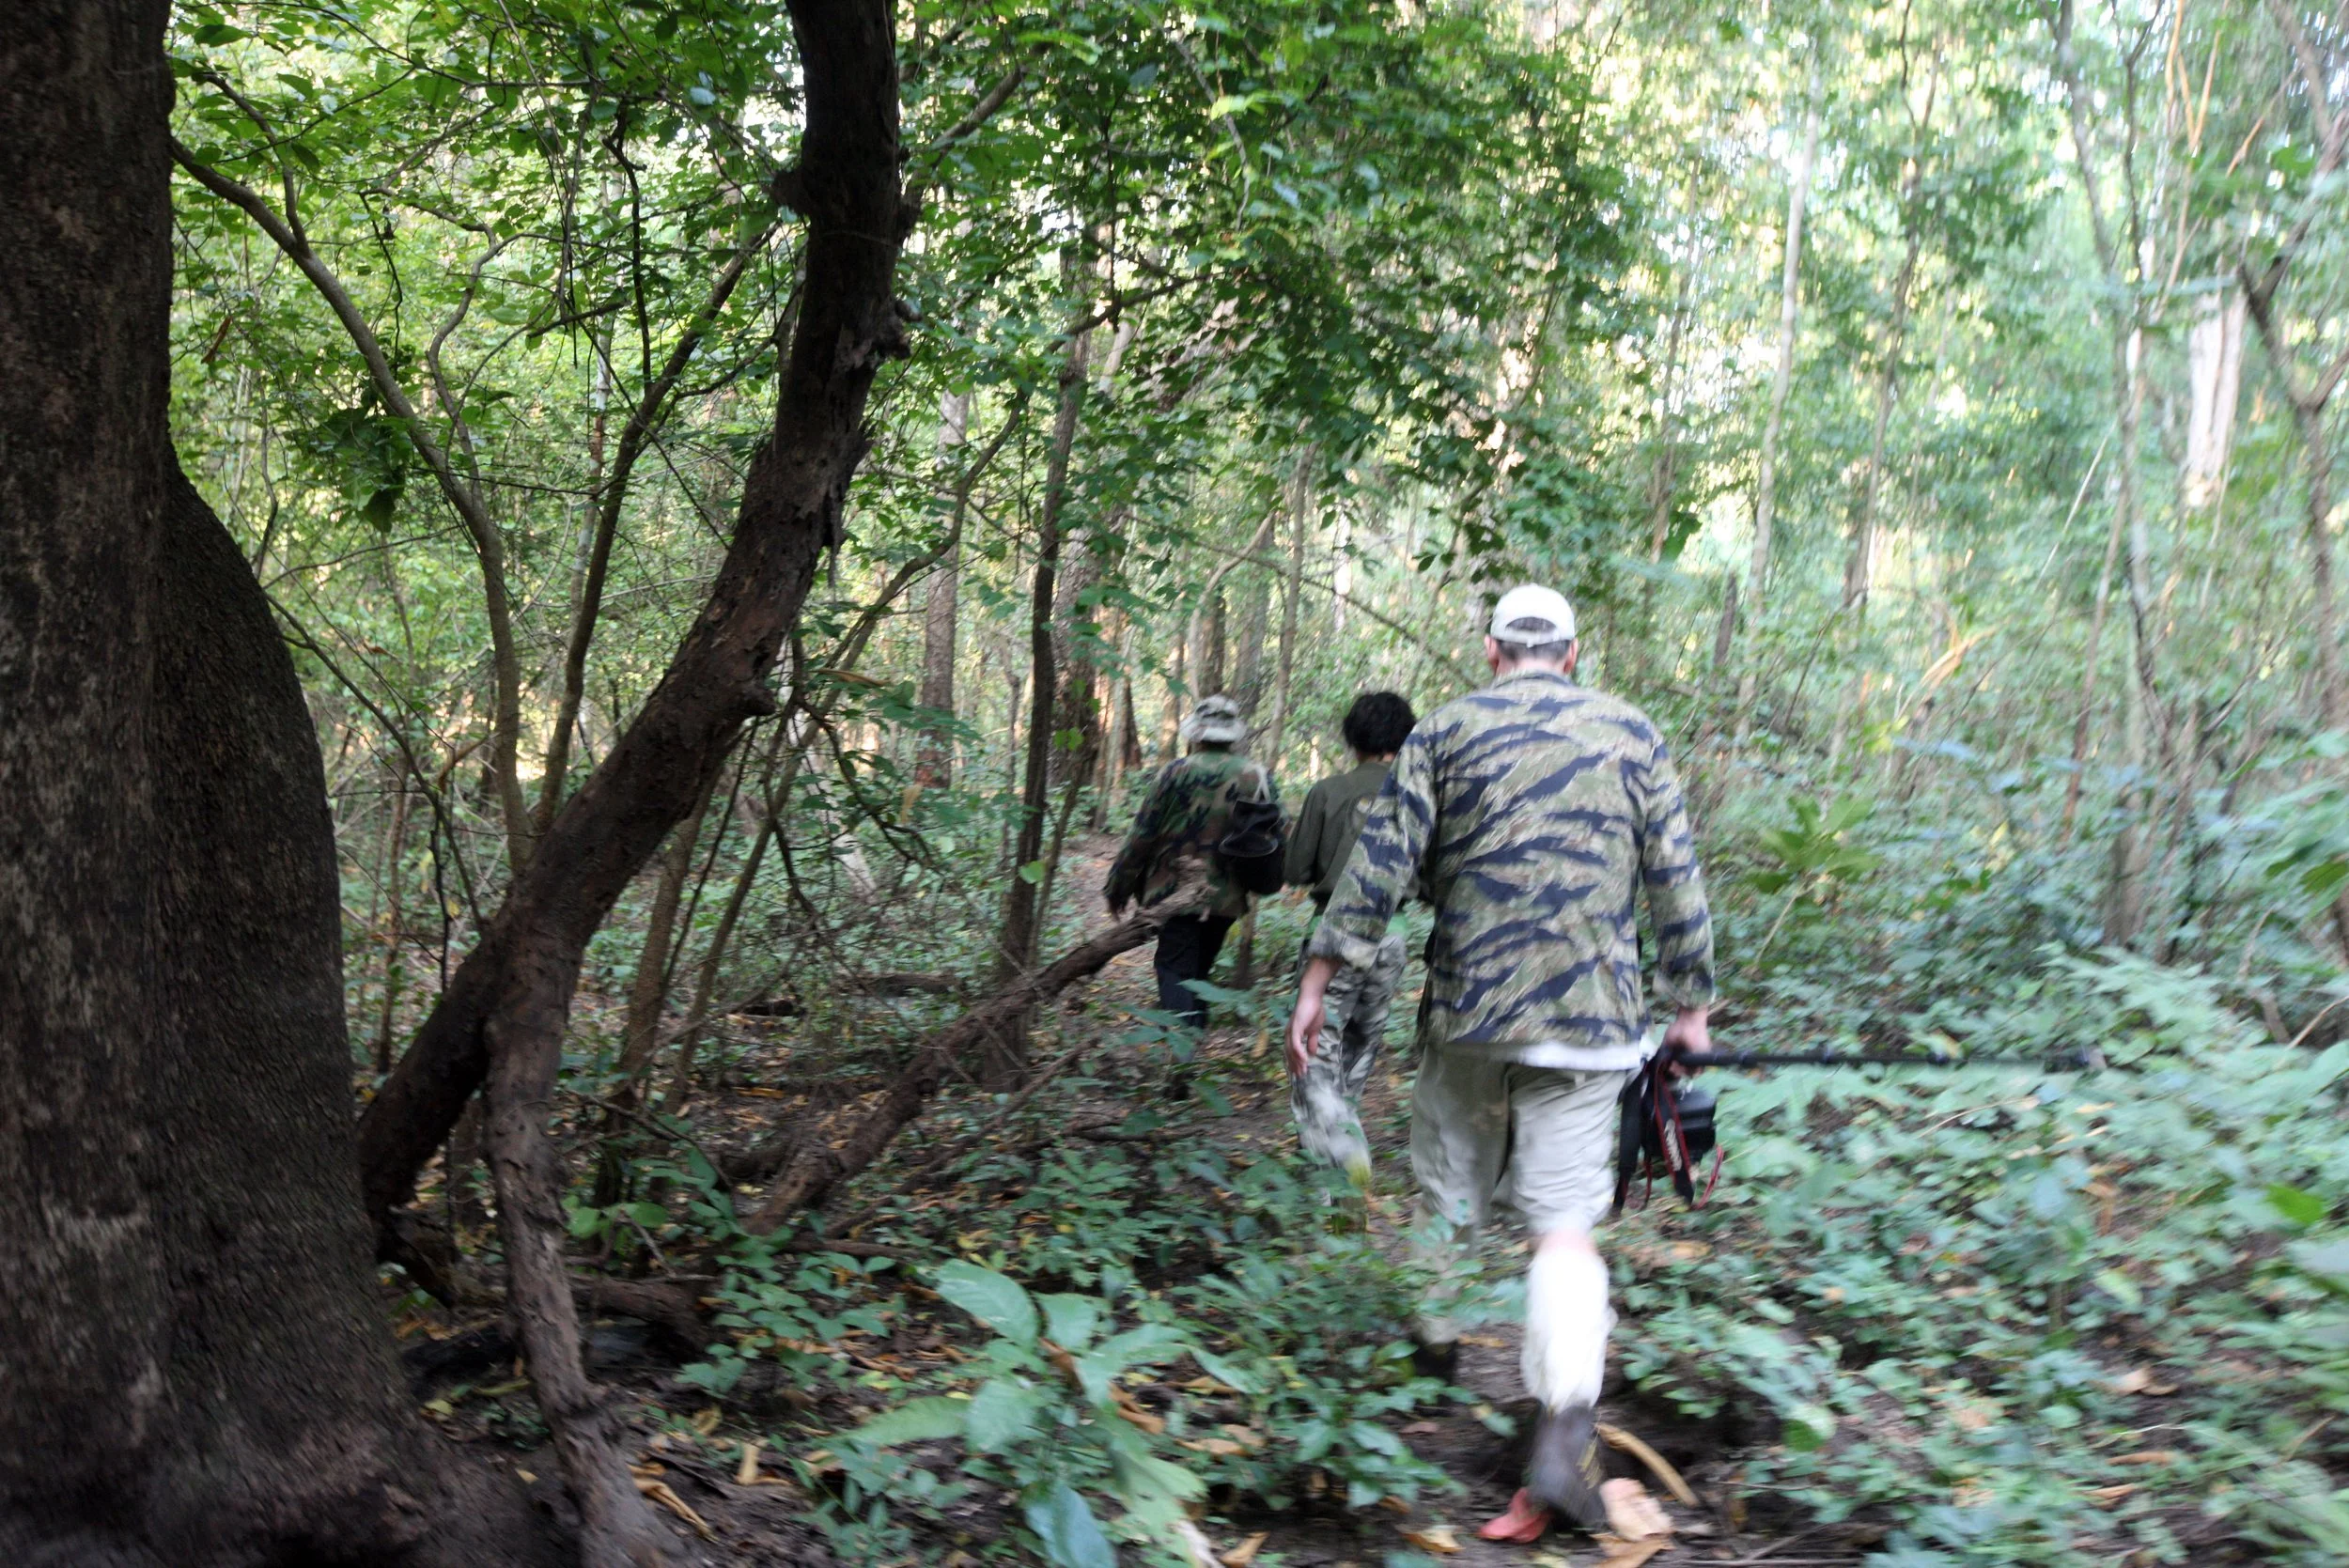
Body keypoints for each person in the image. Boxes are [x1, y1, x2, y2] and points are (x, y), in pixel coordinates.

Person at [1284, 585, 1715, 1540]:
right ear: (1571, 652)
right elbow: (1674, 877)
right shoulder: (1632, 733)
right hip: (1593, 1024)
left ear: (1491, 652)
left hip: (1469, 1017)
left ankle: (1432, 1363)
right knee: (1564, 1229)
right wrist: (1690, 1010)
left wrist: (1317, 980)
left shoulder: (1441, 732)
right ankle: (1562, 1438)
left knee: (1447, 1197)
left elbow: (1378, 867)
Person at [1283, 691, 1418, 1190]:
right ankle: (1336, 1167)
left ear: (1352, 739)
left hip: (1333, 939)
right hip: (1392, 938)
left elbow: (1295, 869)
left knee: (1313, 1056)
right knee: (1357, 1051)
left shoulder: (1329, 792)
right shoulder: (1416, 798)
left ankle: (1341, 1163)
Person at [1106, 693, 1279, 1032]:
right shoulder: (1257, 776)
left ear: (1197, 733)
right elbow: (1276, 833)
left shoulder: (1174, 773)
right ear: (1232, 735)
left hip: (1174, 892)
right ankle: (1191, 1047)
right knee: (1197, 974)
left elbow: (1142, 834)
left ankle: (1182, 1054)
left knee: (1174, 969)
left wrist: (1118, 887)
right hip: (1227, 897)